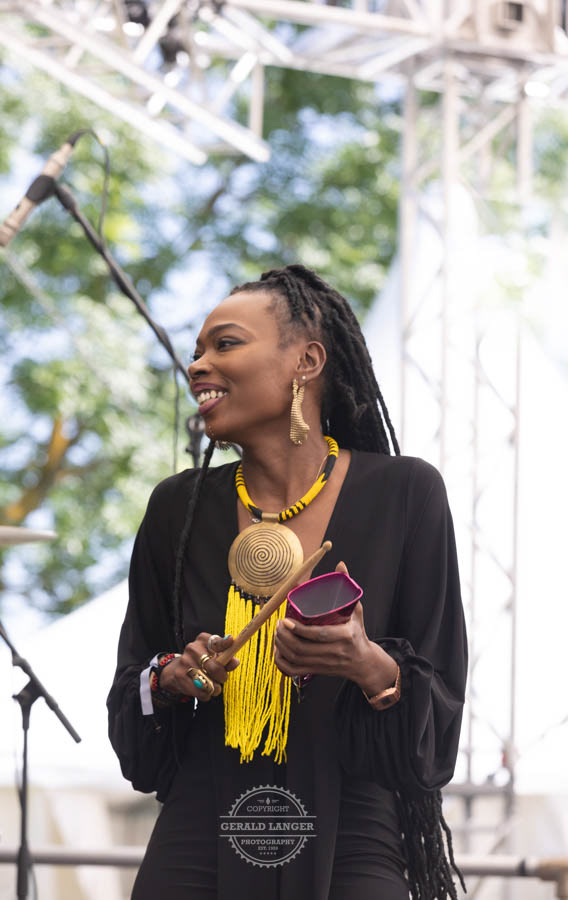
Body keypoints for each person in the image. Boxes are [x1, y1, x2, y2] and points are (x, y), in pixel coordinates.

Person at [107, 264, 467, 900]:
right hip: (201, 829)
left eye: (225, 344)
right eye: (197, 351)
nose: (197, 366)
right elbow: (132, 690)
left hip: (352, 833)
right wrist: (171, 677)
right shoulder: (177, 509)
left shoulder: (406, 494)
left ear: (307, 361)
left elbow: (437, 725)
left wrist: (367, 664)